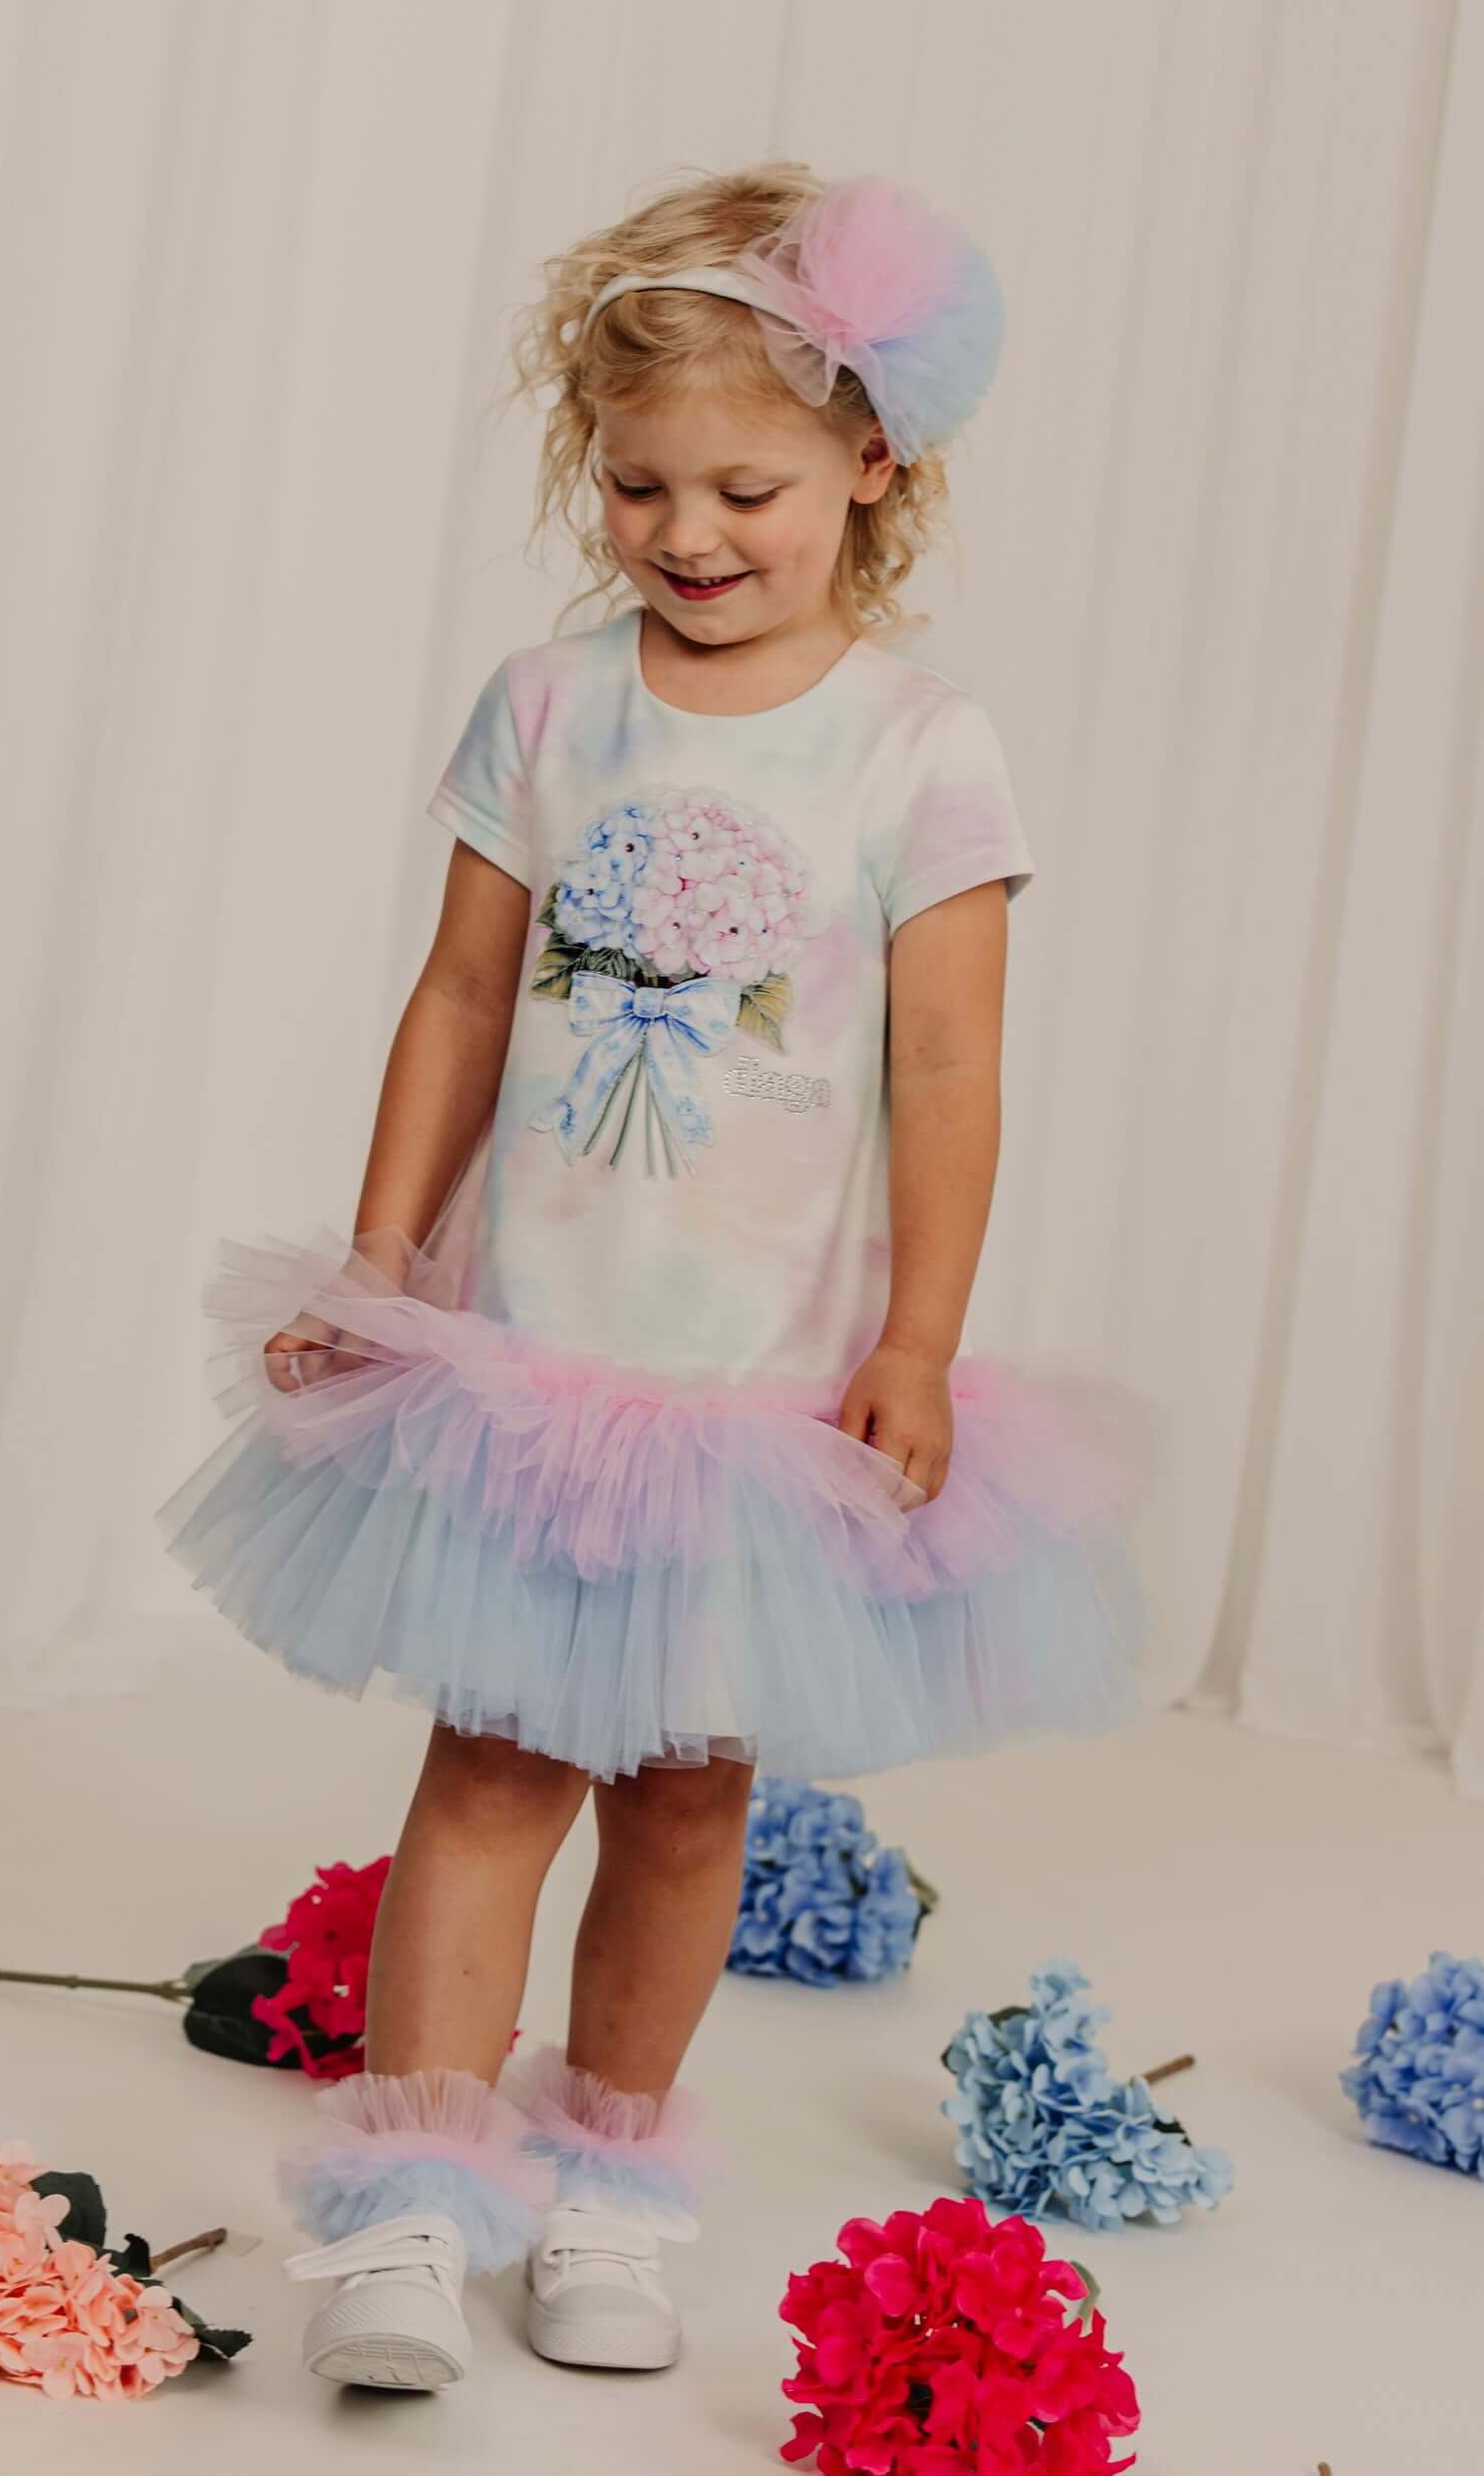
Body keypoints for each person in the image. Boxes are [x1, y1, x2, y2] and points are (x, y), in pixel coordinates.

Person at [154, 161, 1153, 2395]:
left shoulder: (918, 746)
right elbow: (458, 998)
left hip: (758, 1386)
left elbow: (948, 1069)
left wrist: (917, 1344)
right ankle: (415, 2204)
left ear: (871, 462)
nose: (685, 533)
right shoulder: (549, 704)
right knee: (490, 1767)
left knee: (691, 1790)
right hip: (533, 1364)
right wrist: (383, 1257)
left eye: (742, 488)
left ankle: (609, 2178)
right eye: (635, 485)